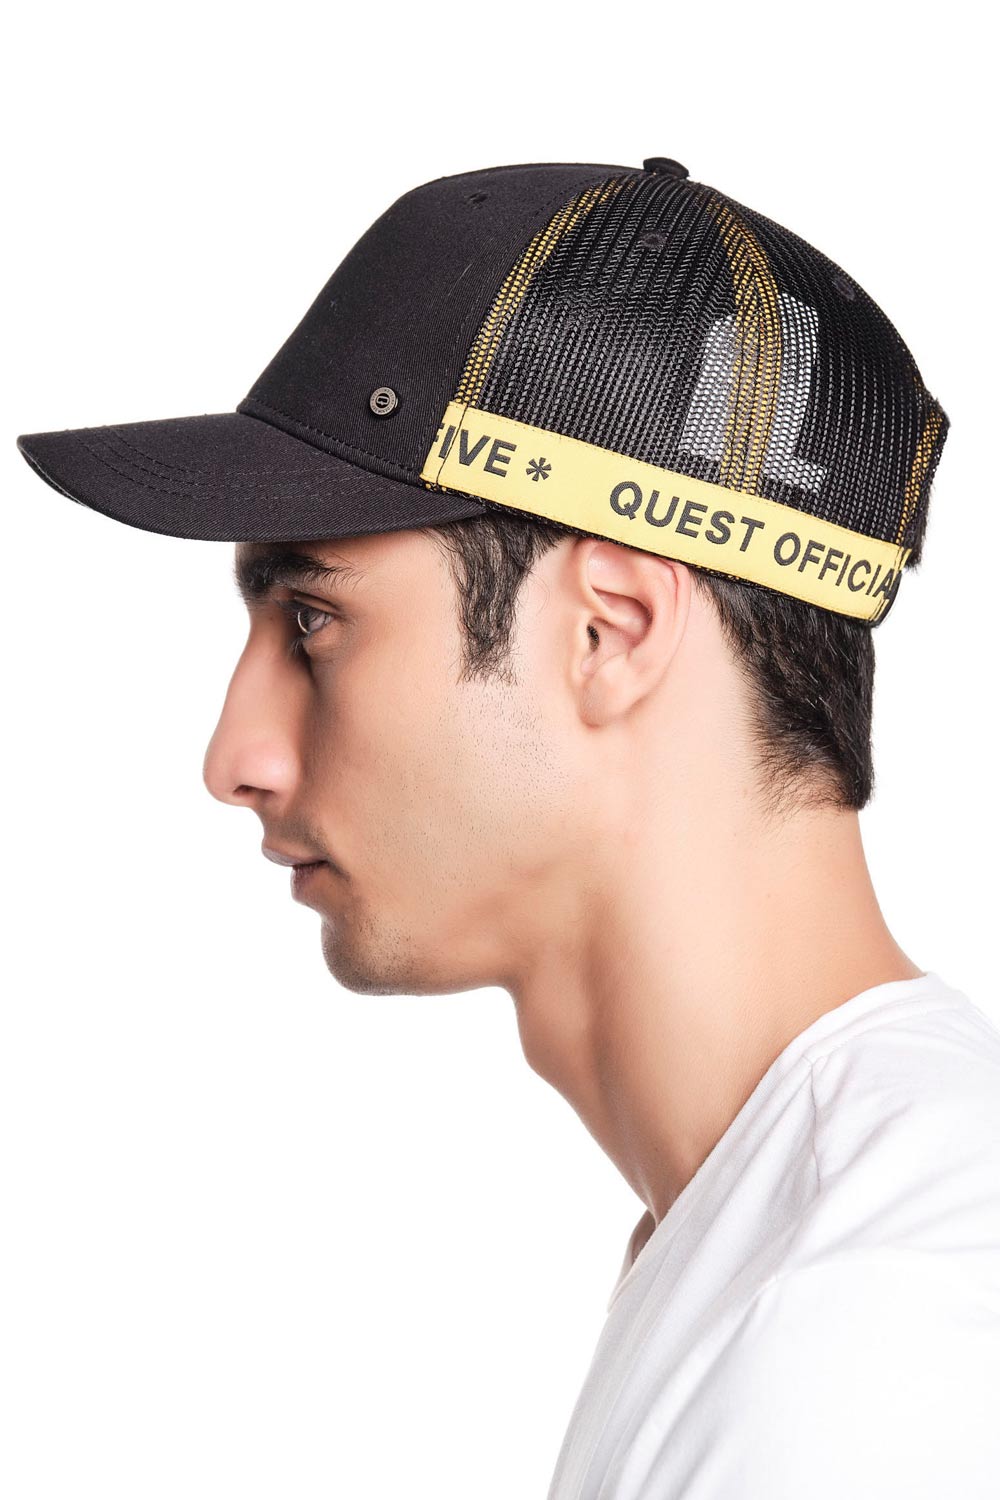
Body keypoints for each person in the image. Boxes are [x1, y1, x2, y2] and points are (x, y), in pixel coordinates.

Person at [17, 156, 1000, 1498]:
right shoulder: (799, 1243)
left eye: (314, 621)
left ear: (610, 631)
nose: (234, 759)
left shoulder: (864, 1341)